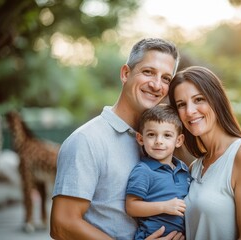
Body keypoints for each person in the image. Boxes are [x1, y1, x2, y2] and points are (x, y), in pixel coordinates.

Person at [50, 38, 185, 240]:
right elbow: (62, 225)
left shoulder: (161, 141)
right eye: (148, 72)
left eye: (166, 78)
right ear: (125, 74)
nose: (157, 85)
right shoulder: (87, 140)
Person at [168, 66, 241, 240]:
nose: (190, 111)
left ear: (216, 100)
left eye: (199, 99)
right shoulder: (195, 166)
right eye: (181, 104)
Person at [125, 104, 191, 239]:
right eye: (151, 135)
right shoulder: (144, 170)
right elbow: (131, 207)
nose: (158, 141)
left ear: (178, 140)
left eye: (167, 135)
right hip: (152, 236)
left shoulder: (184, 170)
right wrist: (164, 207)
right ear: (140, 138)